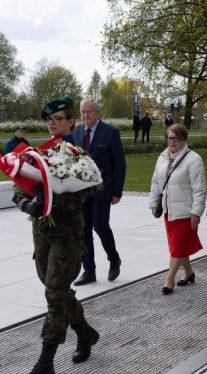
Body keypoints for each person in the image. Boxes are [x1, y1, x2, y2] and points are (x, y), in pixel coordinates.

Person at [13, 96, 99, 374]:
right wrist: (27, 204)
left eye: (57, 119)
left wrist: (50, 196)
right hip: (41, 233)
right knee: (56, 289)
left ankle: (46, 362)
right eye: (48, 120)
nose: (52, 124)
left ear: (71, 121)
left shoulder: (78, 155)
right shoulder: (37, 152)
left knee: (54, 293)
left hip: (67, 235)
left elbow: (82, 194)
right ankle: (85, 332)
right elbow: (18, 186)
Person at [72, 99, 127, 286]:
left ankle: (114, 259)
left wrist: (117, 191)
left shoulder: (111, 132)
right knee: (84, 230)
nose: (86, 115)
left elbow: (120, 164)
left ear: (97, 112)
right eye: (83, 112)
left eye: (89, 111)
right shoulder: (77, 132)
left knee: (100, 226)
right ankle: (89, 270)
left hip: (103, 190)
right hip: (82, 191)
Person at [149, 124, 206, 295]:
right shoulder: (163, 157)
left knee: (177, 247)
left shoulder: (193, 159)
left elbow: (199, 189)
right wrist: (154, 202)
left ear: (183, 139)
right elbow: (155, 182)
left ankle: (169, 279)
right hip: (169, 210)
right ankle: (188, 272)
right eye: (169, 137)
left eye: (175, 138)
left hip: (185, 212)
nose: (171, 141)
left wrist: (196, 212)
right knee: (178, 247)